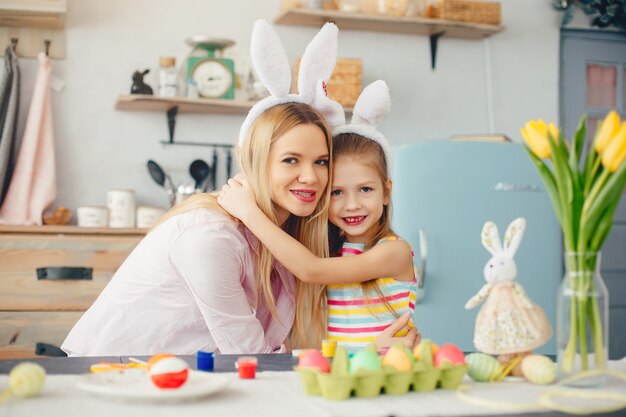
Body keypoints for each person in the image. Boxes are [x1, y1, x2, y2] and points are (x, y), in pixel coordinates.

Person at [61, 20, 339, 356]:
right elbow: (251, 358)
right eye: (291, 160)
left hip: (177, 383)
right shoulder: (211, 237)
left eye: (321, 162)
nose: (311, 177)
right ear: (255, 161)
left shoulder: (282, 241)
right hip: (107, 382)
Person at [219, 80, 419, 351]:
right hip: (342, 377)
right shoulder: (329, 249)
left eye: (365, 189)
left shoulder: (394, 252)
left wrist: (249, 212)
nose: (352, 205)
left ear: (386, 192)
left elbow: (311, 270)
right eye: (336, 192)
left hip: (386, 373)